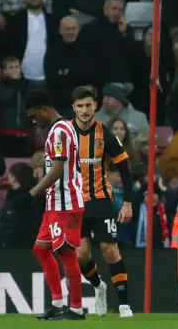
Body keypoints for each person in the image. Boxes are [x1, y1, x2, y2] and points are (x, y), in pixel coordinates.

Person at [69, 86, 134, 318]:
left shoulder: (106, 134)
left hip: (102, 202)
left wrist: (127, 203)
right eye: (80, 106)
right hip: (75, 205)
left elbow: (125, 171)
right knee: (81, 255)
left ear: (95, 106)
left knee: (110, 250)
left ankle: (125, 304)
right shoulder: (65, 134)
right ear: (73, 108)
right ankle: (98, 286)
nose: (85, 110)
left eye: (88, 105)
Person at [24, 89, 85, 321]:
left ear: (44, 109)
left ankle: (77, 309)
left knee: (65, 253)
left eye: (34, 115)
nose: (33, 120)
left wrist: (31, 193)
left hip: (66, 203)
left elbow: (58, 170)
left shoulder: (60, 131)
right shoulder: (58, 129)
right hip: (55, 203)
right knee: (41, 249)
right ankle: (58, 303)